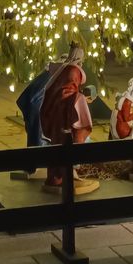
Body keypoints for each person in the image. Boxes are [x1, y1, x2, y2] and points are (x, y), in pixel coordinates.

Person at [39, 43, 98, 193]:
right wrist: (80, 99)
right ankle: (63, 178)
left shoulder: (63, 68)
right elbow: (69, 93)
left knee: (58, 145)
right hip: (65, 115)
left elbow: (62, 91)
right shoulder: (73, 70)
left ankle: (58, 176)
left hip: (59, 113)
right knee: (66, 144)